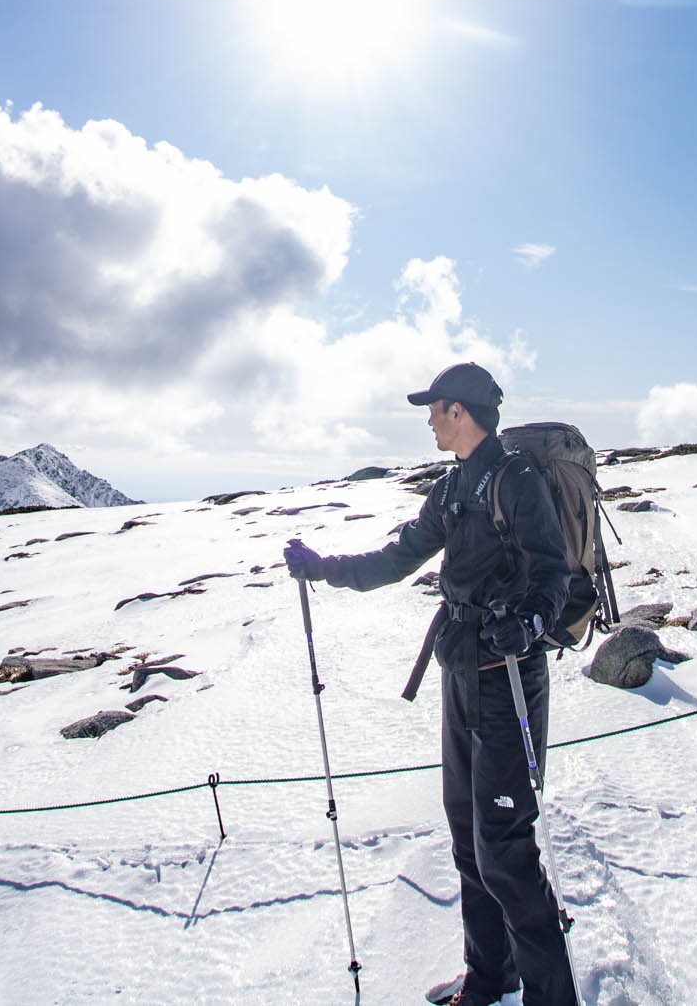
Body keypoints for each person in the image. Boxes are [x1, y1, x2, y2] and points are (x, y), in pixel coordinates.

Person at [284, 362, 579, 1006]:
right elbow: (397, 558)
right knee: (468, 834)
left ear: (461, 411)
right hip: (461, 675)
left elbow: (553, 574)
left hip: (507, 677)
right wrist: (322, 569)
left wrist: (527, 622)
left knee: (504, 845)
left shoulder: (517, 480)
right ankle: (489, 978)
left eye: (434, 406)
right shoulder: (453, 490)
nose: (427, 418)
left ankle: (553, 997)